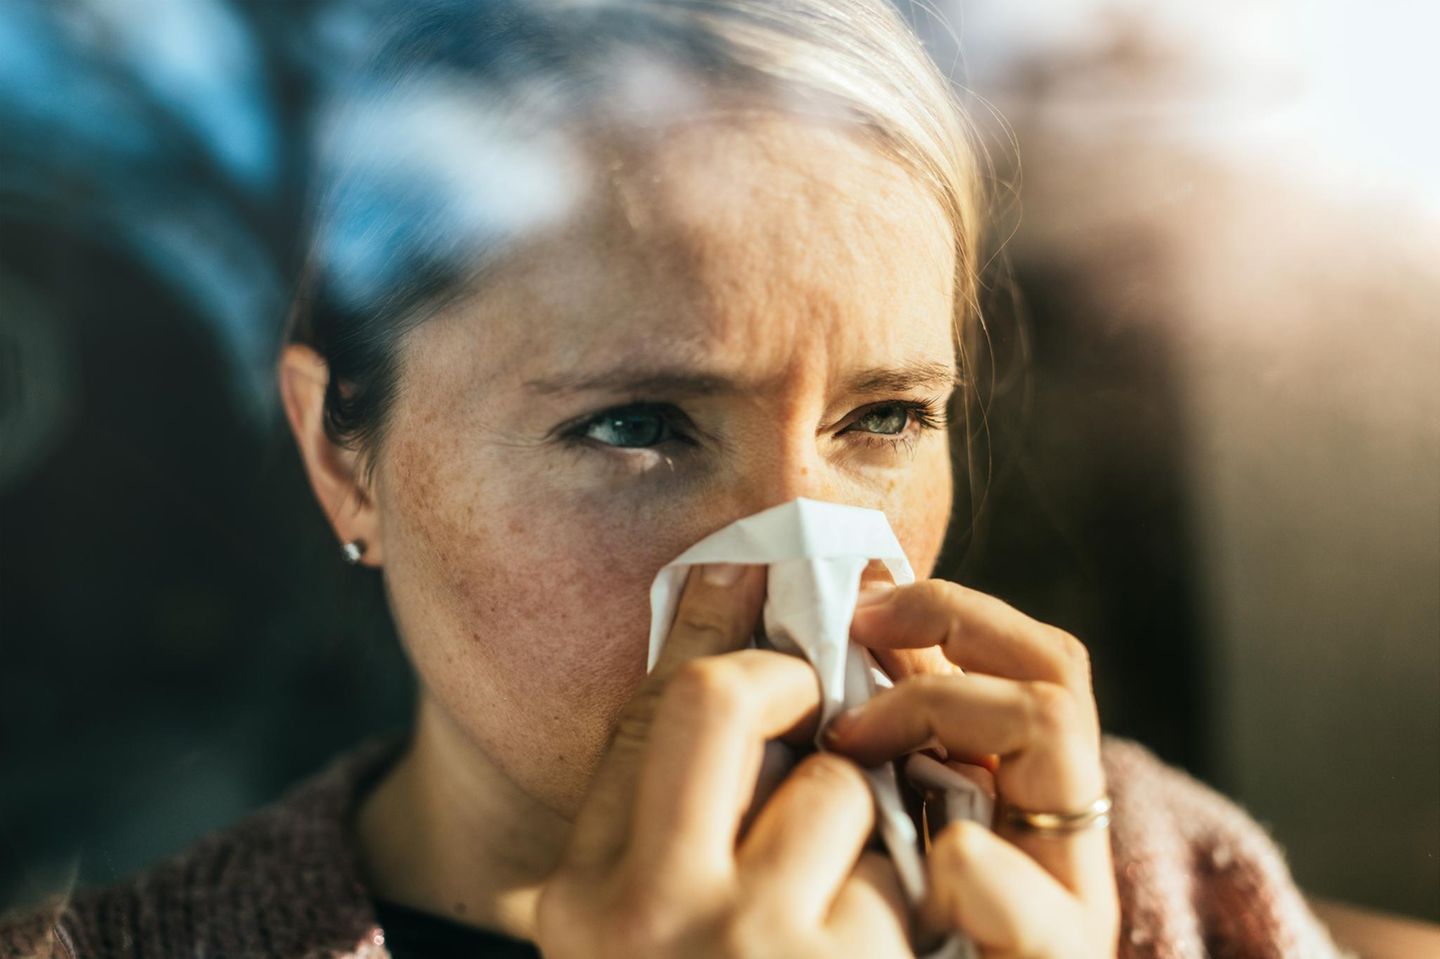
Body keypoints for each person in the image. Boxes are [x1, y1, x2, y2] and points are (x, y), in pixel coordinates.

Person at [2, 2, 1344, 957]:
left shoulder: (1155, 876)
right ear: (341, 458)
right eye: (635, 425)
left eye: (884, 418)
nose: (800, 578)